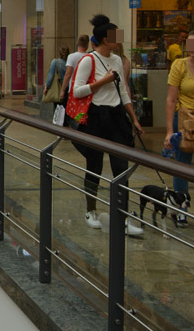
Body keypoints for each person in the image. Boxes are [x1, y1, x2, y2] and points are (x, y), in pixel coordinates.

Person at [71, 14, 144, 236]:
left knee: (120, 167)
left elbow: (123, 92)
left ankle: (121, 215)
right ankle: (91, 210)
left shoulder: (117, 61)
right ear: (104, 39)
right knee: (94, 165)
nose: (119, 40)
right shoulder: (88, 60)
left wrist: (134, 119)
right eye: (115, 37)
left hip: (116, 117)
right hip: (95, 117)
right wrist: (103, 81)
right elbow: (77, 91)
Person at [163, 29, 194, 228]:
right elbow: (171, 99)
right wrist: (170, 130)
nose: (191, 48)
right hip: (185, 121)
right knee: (182, 165)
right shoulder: (180, 65)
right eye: (189, 44)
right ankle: (180, 210)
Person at [61, 34, 91, 105]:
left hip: (73, 89)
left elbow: (68, 74)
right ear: (87, 45)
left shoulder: (71, 57)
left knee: (74, 113)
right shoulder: (90, 57)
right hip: (86, 90)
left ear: (77, 43)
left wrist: (62, 90)